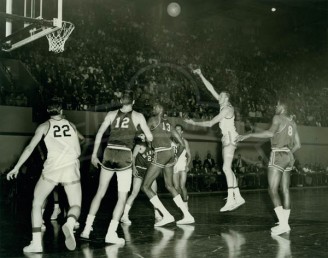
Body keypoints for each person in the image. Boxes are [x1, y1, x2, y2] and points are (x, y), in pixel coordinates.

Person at [6, 98, 85, 253]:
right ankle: (69, 223)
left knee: (37, 203)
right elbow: (82, 140)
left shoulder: (44, 126)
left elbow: (30, 148)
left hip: (53, 168)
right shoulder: (72, 125)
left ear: (48, 112)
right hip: (71, 167)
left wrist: (16, 167)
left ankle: (36, 243)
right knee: (76, 205)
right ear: (62, 111)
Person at [80, 90, 153, 244]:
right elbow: (150, 137)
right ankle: (111, 234)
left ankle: (86, 229)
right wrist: (140, 135)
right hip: (124, 154)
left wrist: (94, 155)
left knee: (100, 192)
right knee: (122, 197)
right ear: (133, 102)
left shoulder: (112, 114)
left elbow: (99, 133)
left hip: (108, 152)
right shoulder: (138, 116)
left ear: (121, 102)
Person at [185, 68, 245, 212]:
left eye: (222, 96)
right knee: (228, 168)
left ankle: (231, 199)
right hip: (228, 138)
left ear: (227, 98)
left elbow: (210, 123)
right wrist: (201, 75)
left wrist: (194, 123)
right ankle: (238, 196)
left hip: (230, 138)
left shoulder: (226, 109)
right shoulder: (222, 104)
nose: (219, 97)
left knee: (226, 168)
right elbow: (210, 88)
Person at [237, 100, 301, 235]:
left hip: (277, 154)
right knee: (285, 190)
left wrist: (249, 134)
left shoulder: (278, 117)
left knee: (272, 190)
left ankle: (283, 224)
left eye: (277, 105)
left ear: (283, 108)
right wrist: (289, 152)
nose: (275, 107)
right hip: (288, 156)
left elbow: (270, 134)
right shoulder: (293, 123)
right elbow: (298, 145)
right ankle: (285, 223)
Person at [142, 103, 195, 226]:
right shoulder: (169, 124)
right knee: (170, 186)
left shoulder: (152, 120)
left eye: (155, 107)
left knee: (145, 186)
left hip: (161, 153)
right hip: (171, 154)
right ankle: (187, 215)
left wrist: (143, 137)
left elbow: (143, 134)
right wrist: (175, 157)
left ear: (160, 109)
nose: (153, 108)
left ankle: (166, 215)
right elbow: (181, 144)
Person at [120, 134, 162, 225]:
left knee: (154, 194)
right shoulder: (140, 145)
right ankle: (125, 215)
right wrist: (133, 168)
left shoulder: (155, 147)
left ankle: (157, 213)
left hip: (150, 172)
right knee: (134, 193)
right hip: (140, 170)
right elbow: (133, 157)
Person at [172, 124, 192, 209]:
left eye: (179, 129)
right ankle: (183, 200)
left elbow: (189, 155)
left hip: (182, 164)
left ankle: (185, 205)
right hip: (174, 165)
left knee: (182, 186)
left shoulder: (185, 141)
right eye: (176, 129)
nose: (177, 130)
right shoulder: (171, 141)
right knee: (176, 187)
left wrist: (187, 165)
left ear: (182, 131)